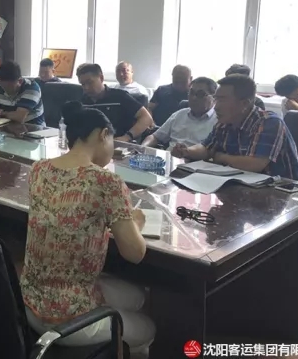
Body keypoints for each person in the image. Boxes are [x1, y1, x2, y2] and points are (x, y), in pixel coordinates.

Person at [21, 101, 154, 355]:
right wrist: (135, 222)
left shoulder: (39, 169)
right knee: (147, 327)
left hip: (30, 305)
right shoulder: (106, 181)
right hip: (69, 322)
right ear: (104, 134)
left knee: (137, 296)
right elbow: (135, 254)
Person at [172, 75, 298, 182]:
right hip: (245, 185)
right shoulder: (225, 122)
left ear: (244, 104)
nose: (216, 106)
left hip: (286, 191)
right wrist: (187, 151)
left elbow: (255, 164)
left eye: (222, 100)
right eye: (216, 99)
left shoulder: (269, 122)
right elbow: (206, 148)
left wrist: (220, 157)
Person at [77, 63, 153, 143]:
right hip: (92, 144)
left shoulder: (120, 96)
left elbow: (146, 118)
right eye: (83, 84)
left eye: (90, 82)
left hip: (117, 143)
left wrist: (127, 137)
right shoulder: (83, 102)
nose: (86, 88)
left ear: (101, 78)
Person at [142, 77, 217, 151]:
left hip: (195, 158)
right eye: (191, 93)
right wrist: (142, 148)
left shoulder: (218, 121)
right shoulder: (179, 115)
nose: (194, 98)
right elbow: (155, 137)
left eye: (200, 94)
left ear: (214, 98)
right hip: (170, 156)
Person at [0, 61, 45, 125]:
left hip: (33, 128)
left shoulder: (31, 88)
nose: (6, 90)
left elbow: (20, 117)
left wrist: (2, 114)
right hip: (7, 127)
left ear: (20, 81)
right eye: (3, 86)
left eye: (9, 86)